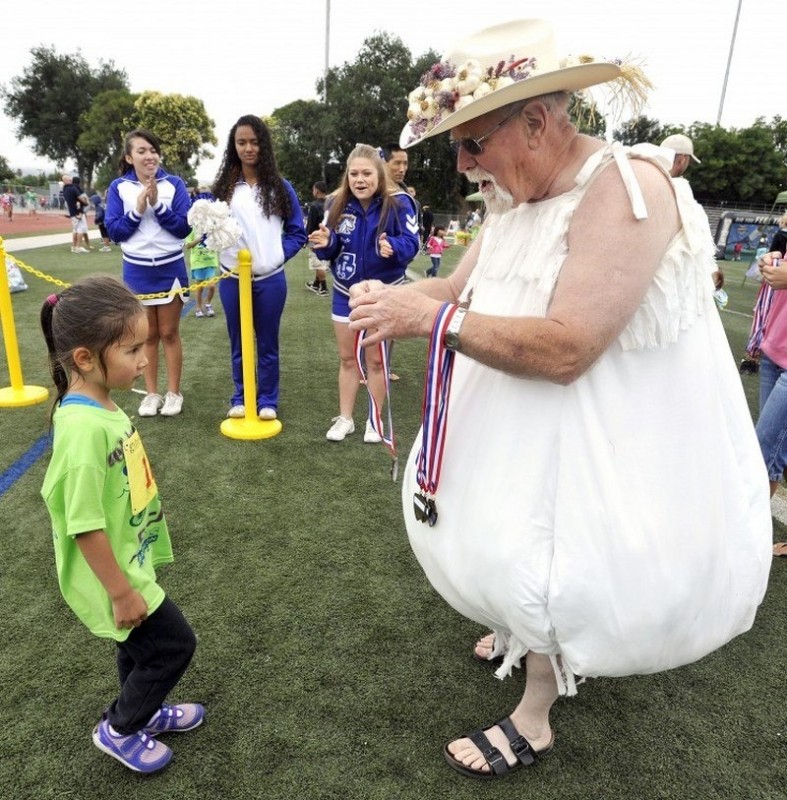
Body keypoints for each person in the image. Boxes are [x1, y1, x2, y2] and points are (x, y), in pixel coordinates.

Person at [348, 19, 771, 779]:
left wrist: (433, 319)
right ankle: (519, 632)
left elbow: (571, 345)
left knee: (559, 548)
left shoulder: (628, 186)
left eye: (470, 142)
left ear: (536, 121)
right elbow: (455, 288)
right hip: (513, 407)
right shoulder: (510, 198)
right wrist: (398, 301)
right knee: (509, 530)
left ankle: (533, 715)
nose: (460, 162)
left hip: (591, 422)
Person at [39, 275, 204, 775]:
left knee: (136, 645)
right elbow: (82, 524)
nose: (144, 360)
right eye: (132, 349)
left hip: (128, 557)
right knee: (174, 645)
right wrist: (121, 592)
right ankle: (120, 727)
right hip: (112, 573)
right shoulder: (83, 431)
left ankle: (145, 709)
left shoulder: (103, 404)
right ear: (86, 358)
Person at [310, 143, 420, 442]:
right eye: (354, 173)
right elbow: (334, 249)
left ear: (379, 174)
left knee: (376, 361)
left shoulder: (400, 204)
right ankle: (345, 418)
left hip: (383, 294)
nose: (360, 180)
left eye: (367, 173)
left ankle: (374, 419)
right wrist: (326, 243)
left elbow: (413, 244)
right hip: (345, 292)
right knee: (347, 358)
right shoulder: (335, 203)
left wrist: (394, 247)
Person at [212, 114, 306, 421]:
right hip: (231, 279)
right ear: (233, 146)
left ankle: (268, 400)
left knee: (267, 343)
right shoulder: (224, 188)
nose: (248, 148)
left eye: (254, 142)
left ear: (263, 145)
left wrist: (278, 255)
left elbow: (297, 232)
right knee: (238, 340)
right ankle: (240, 396)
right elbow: (208, 229)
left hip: (270, 279)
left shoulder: (279, 187)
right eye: (241, 142)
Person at [105, 128, 192, 418]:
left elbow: (183, 227)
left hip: (171, 268)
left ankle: (174, 393)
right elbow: (116, 231)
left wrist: (157, 205)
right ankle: (152, 393)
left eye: (153, 150)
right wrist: (139, 208)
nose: (149, 156)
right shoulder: (119, 187)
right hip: (137, 271)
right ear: (129, 157)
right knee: (147, 336)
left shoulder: (175, 184)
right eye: (141, 151)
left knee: (169, 333)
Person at [660, 133, 723, 290]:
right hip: (673, 285)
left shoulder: (640, 185)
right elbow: (700, 250)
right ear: (682, 159)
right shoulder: (684, 196)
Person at [185, 186, 219, 318]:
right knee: (199, 287)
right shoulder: (192, 228)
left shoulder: (211, 226)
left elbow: (218, 240)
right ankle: (198, 308)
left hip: (210, 261)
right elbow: (188, 245)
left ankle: (208, 303)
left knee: (211, 286)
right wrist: (200, 239)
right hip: (198, 262)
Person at [305, 180, 330, 296]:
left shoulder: (314, 206)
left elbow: (310, 224)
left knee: (318, 262)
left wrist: (306, 238)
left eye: (313, 189)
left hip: (316, 237)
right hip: (329, 236)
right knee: (321, 260)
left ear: (317, 191)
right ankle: (316, 283)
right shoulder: (331, 204)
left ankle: (323, 287)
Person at [62, 175, 88, 254]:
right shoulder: (73, 188)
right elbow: (80, 198)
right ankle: (78, 247)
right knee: (80, 229)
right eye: (69, 179)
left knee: (75, 230)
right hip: (78, 212)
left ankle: (73, 246)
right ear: (67, 180)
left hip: (72, 213)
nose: (71, 180)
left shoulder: (64, 189)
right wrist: (86, 202)